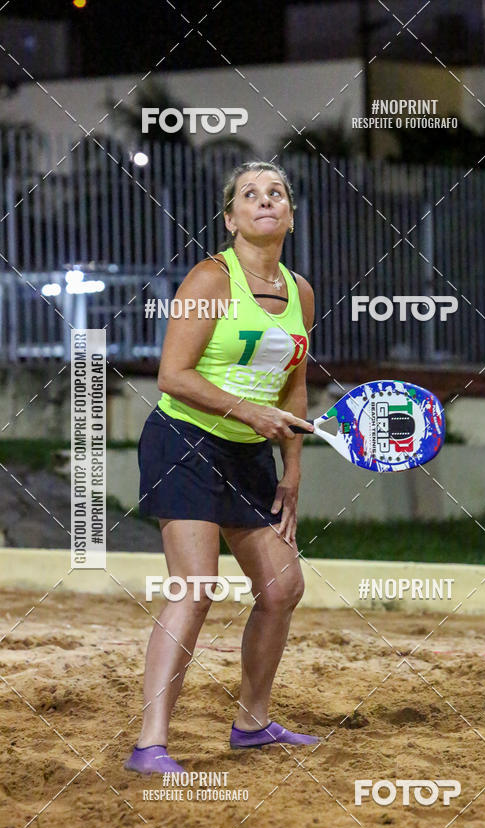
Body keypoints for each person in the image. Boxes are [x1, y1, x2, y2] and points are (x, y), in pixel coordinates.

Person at [124, 161, 320, 774]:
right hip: (183, 441)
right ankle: (150, 744)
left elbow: (293, 390)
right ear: (231, 217)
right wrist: (244, 409)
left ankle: (253, 723)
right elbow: (171, 376)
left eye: (277, 193)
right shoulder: (211, 279)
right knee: (195, 587)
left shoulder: (302, 292)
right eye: (249, 195)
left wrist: (291, 468)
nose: (265, 201)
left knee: (283, 587)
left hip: (249, 450)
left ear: (288, 214)